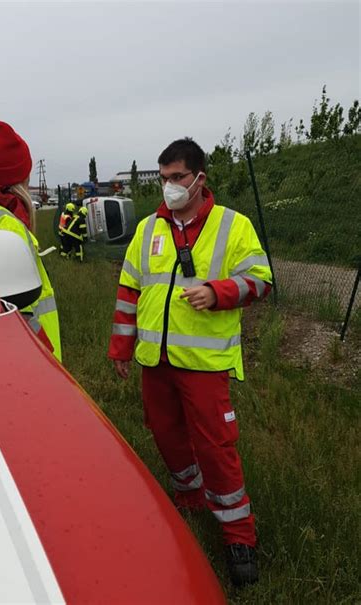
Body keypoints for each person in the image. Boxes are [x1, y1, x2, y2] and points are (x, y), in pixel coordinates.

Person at [108, 137, 272, 587]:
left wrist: (216, 293)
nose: (170, 187)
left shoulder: (232, 226)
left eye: (178, 178)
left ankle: (238, 535)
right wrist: (122, 347)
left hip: (203, 362)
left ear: (200, 178)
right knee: (165, 432)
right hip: (154, 360)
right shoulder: (147, 230)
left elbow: (260, 280)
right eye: (164, 179)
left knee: (216, 446)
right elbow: (128, 290)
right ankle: (189, 496)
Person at [0, 119, 61, 361]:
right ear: (20, 178)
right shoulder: (7, 225)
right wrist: (46, 357)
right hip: (32, 354)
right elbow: (21, 309)